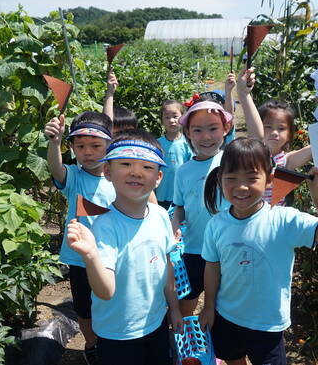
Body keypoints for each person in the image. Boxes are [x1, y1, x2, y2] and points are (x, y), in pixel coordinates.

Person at [199, 138, 318, 365]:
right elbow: (212, 267)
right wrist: (208, 307)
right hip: (226, 315)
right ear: (220, 180)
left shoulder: (283, 220)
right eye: (231, 178)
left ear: (270, 179)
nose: (241, 186)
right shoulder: (217, 225)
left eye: (251, 178)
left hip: (266, 324)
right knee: (232, 358)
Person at [64, 129, 184, 365]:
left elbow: (167, 267)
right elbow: (105, 291)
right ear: (107, 171)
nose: (136, 172)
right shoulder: (105, 227)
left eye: (147, 167)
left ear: (158, 177)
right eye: (126, 163)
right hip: (118, 332)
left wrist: (175, 309)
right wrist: (90, 256)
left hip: (157, 321)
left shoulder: (160, 216)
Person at [44, 111, 115, 365]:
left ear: (110, 144)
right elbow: (56, 168)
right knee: (85, 309)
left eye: (96, 146)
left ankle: (112, 339)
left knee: (111, 300)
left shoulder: (118, 176)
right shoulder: (74, 177)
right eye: (80, 146)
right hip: (79, 260)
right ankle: (92, 344)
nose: (88, 152)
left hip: (111, 257)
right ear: (72, 148)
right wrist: (54, 143)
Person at [171, 100, 232, 316]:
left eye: (213, 128)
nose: (206, 137)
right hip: (194, 248)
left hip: (227, 248)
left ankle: (218, 344)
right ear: (187, 132)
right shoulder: (183, 171)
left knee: (223, 303)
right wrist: (174, 227)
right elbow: (179, 207)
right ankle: (182, 337)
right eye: (197, 130)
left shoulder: (231, 162)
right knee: (187, 299)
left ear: (226, 129)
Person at [237, 68, 313, 206]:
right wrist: (244, 94)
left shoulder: (286, 161)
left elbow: (315, 148)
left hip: (276, 221)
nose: (274, 132)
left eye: (282, 128)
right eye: (268, 126)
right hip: (253, 216)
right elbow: (257, 135)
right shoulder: (254, 154)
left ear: (290, 134)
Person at [156, 100, 193, 210]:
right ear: (161, 120)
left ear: (183, 118)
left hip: (181, 195)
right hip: (161, 194)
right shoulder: (157, 144)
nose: (171, 120)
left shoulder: (188, 143)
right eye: (167, 117)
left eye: (175, 116)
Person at [103, 69, 138, 136]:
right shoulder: (109, 144)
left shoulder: (136, 144)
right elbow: (107, 122)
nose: (123, 136)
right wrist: (110, 93)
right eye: (118, 133)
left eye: (129, 132)